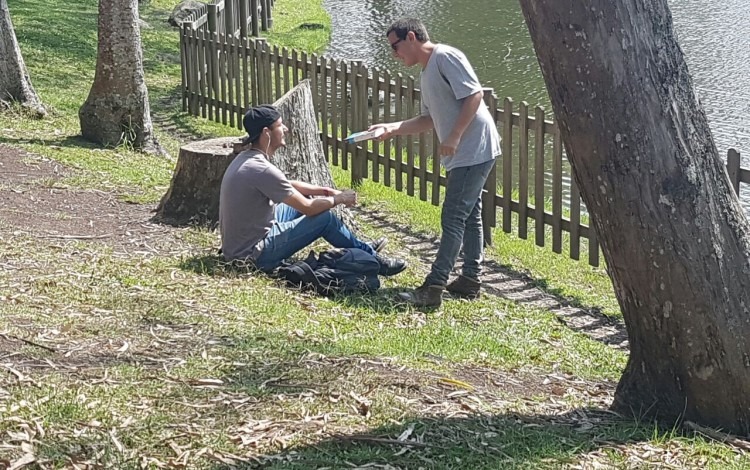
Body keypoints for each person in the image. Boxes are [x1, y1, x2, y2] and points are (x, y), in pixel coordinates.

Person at [368, 18, 501, 307]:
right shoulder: (427, 72)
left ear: (412, 37)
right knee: (469, 215)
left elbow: (474, 94)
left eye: (395, 46)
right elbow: (428, 119)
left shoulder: (445, 56)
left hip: (473, 150)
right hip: (465, 152)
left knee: (453, 216)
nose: (394, 54)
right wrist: (391, 127)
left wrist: (453, 136)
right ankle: (470, 279)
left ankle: (433, 288)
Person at [219, 104, 406, 277]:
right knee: (324, 218)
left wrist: (324, 191)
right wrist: (339, 199)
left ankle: (361, 246)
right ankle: (376, 261)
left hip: (242, 243)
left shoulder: (248, 158)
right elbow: (308, 208)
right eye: (280, 126)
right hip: (253, 254)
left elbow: (287, 184)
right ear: (266, 132)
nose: (285, 130)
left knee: (306, 197)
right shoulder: (262, 169)